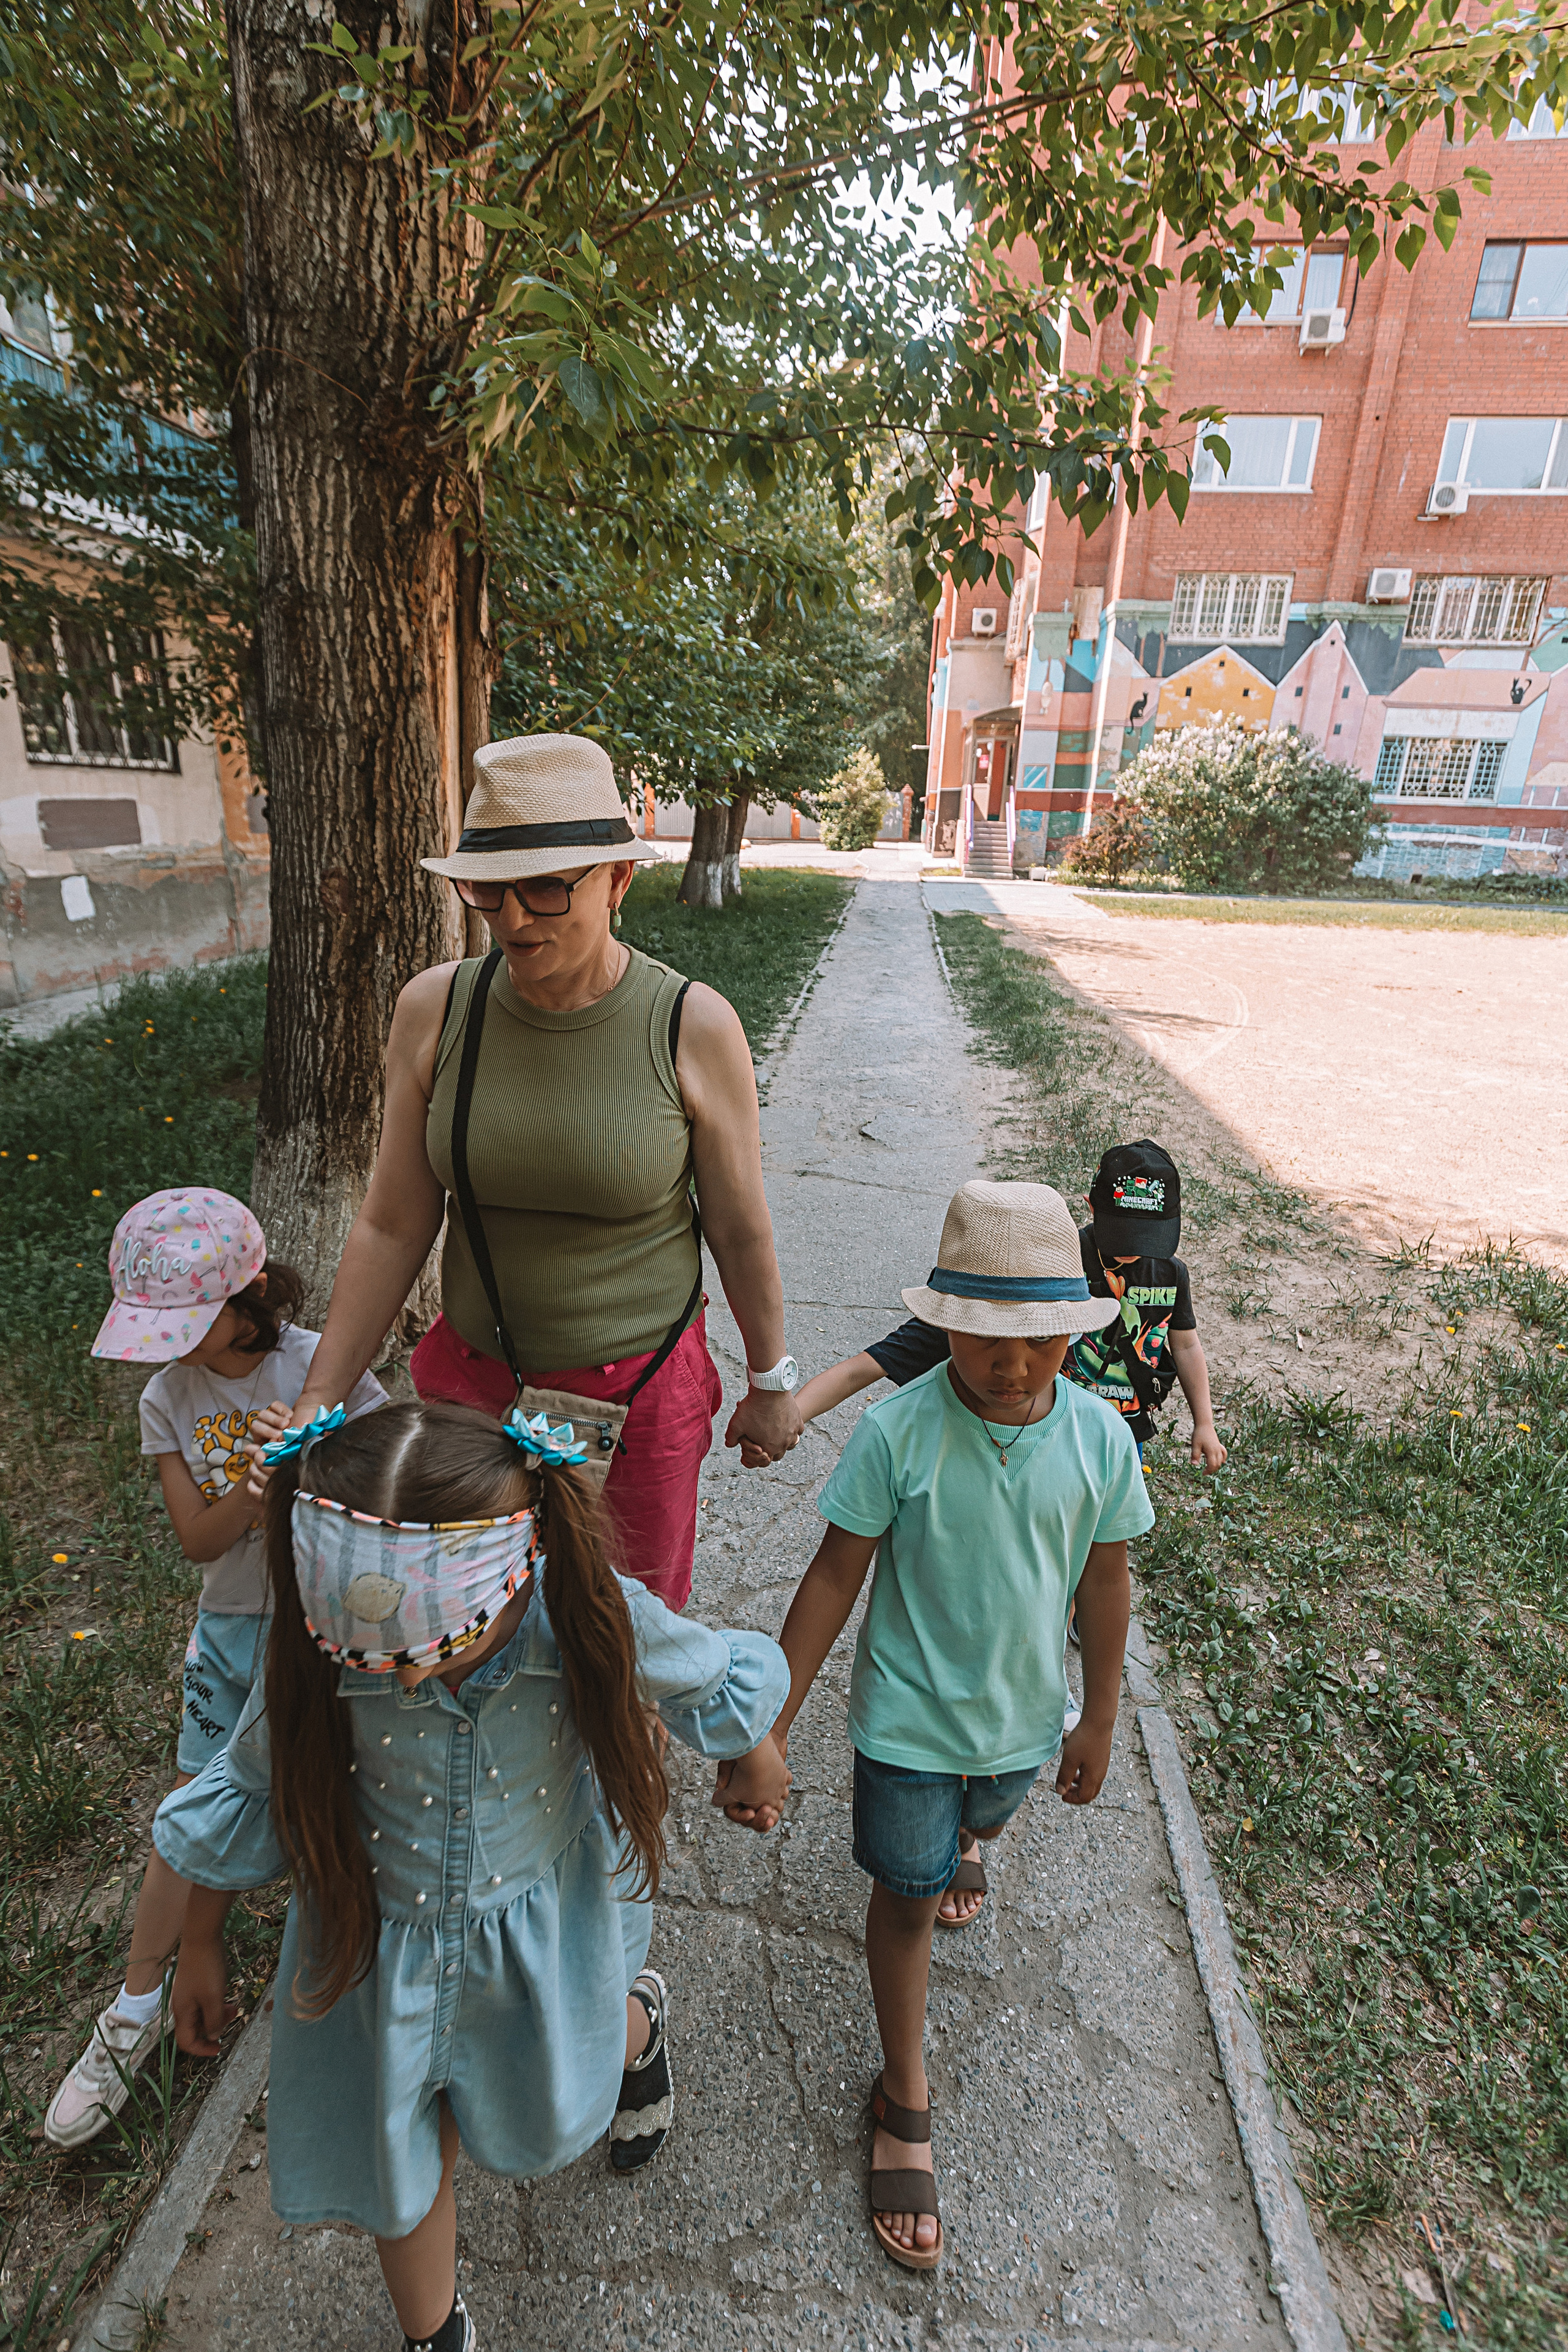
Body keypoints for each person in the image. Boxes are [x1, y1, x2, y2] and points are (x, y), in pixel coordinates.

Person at [159, 1398, 789, 2352]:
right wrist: (197, 1939)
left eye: (440, 1643)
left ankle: (635, 2028)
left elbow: (703, 1672)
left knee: (567, 2061)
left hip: (542, 1939)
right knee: (403, 2160)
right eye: (376, 1651)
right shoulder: (322, 1636)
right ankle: (435, 2334)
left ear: (522, 1565)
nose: (406, 1679)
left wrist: (753, 1750)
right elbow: (253, 1783)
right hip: (378, 1956)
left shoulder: (580, 1606)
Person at [719, 1180, 1154, 2272]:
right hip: (907, 1725)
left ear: (1073, 1331)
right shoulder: (898, 1432)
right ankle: (903, 2091)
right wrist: (770, 1726)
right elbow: (831, 1580)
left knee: (987, 1819)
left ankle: (971, 1836)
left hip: (1023, 1721)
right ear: (943, 1324)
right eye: (987, 1337)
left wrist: (1100, 1716)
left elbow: (1106, 1581)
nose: (1014, 1364)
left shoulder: (1101, 1441)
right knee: (908, 1896)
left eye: (1040, 1340)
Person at [288, 733, 802, 1616]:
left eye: (546, 888)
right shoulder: (436, 1009)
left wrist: (770, 1383)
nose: (514, 920)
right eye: (488, 890)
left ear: (618, 879)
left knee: (622, 1630)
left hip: (638, 1399)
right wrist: (319, 1397)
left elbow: (738, 1227)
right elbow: (392, 1222)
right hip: (474, 1391)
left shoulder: (690, 1025)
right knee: (469, 1622)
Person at [43, 1189, 385, 2152]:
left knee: (341, 1797)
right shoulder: (169, 1400)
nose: (173, 1349)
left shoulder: (322, 1364)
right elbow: (198, 1540)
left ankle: (352, 1989)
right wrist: (252, 1485)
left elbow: (387, 1489)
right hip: (230, 1632)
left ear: (254, 1296)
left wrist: (314, 1455)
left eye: (189, 1324)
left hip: (324, 1626)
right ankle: (139, 2001)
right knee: (194, 1801)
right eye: (158, 1331)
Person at [792, 1139, 1225, 1474]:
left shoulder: (1169, 1274)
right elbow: (868, 1365)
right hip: (1038, 1433)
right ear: (1092, 1208)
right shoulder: (1050, 1269)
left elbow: (1186, 1345)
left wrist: (1203, 1422)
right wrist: (790, 1414)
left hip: (1123, 1430)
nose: (1012, 1364)